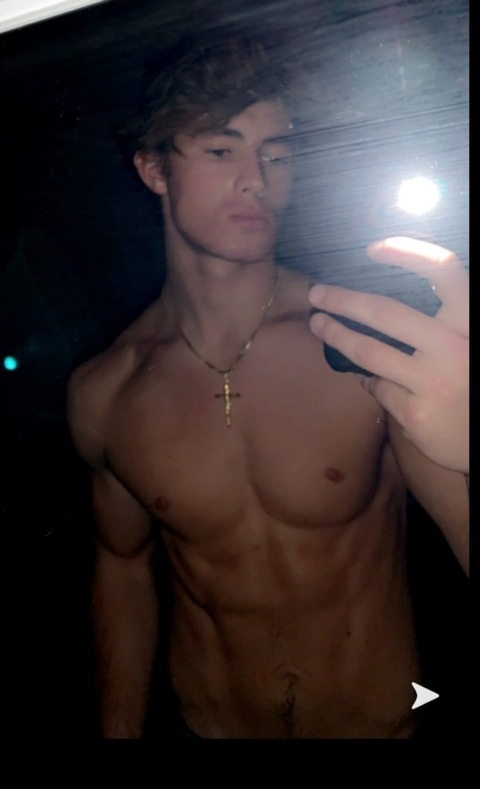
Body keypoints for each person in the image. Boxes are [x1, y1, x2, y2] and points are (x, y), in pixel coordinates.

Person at [67, 32, 469, 739]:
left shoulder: (358, 342)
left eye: (277, 153)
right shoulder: (108, 391)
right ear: (154, 170)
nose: (257, 178)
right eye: (221, 150)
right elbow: (122, 571)